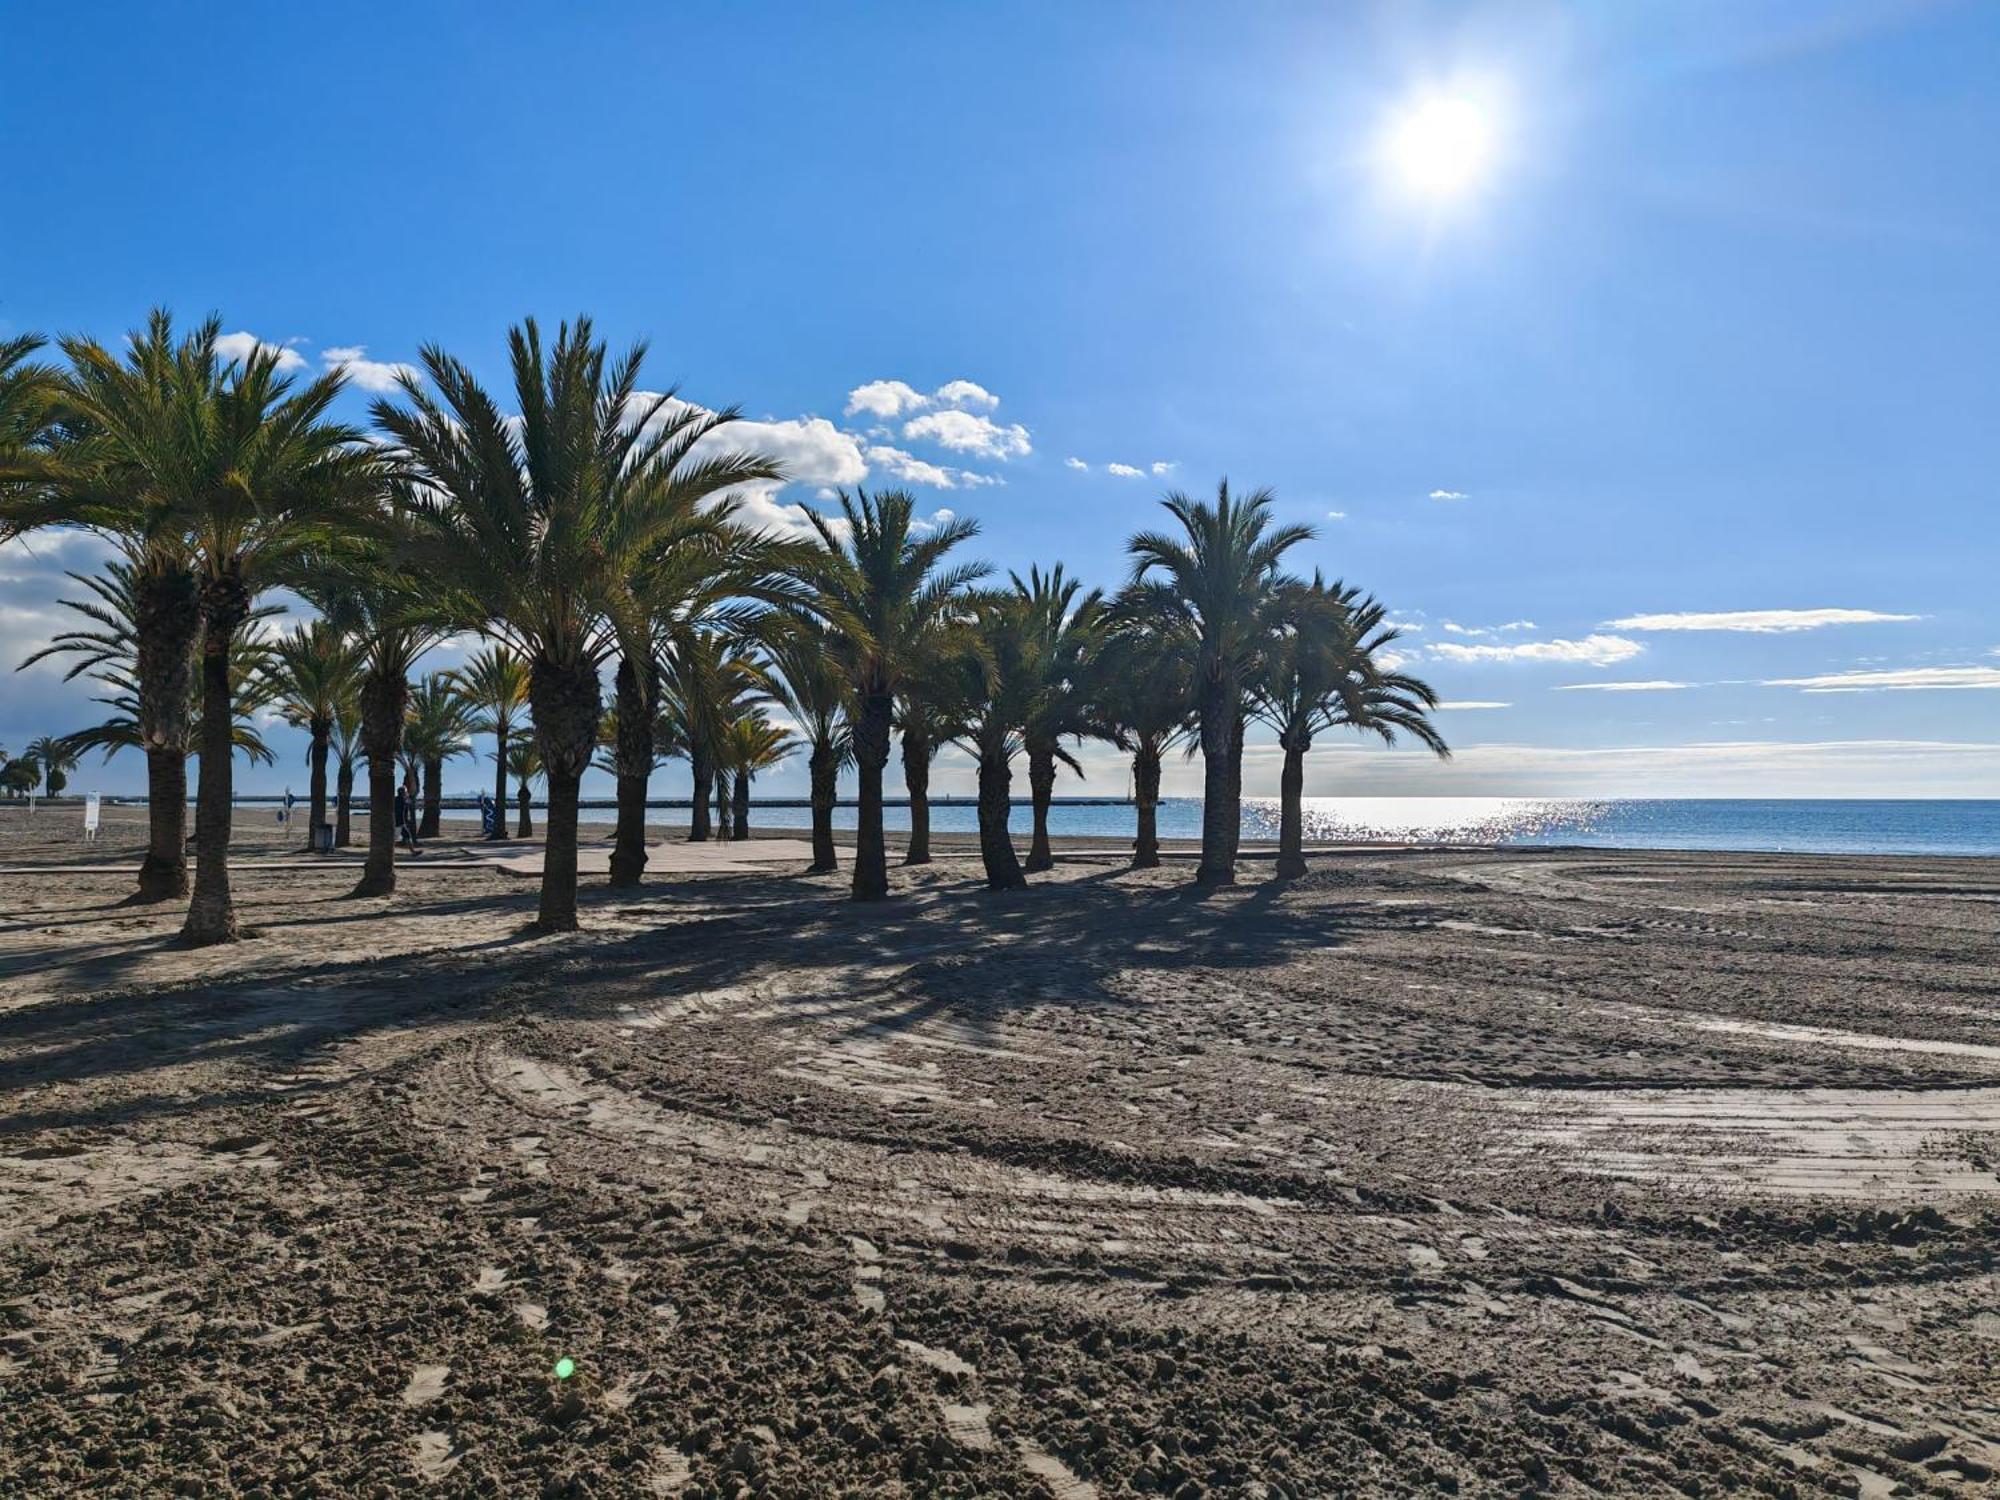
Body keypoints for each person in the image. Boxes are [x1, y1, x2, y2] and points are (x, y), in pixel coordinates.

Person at [395, 777, 422, 855]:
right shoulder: (403, 800)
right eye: (405, 792)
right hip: (399, 823)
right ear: (403, 793)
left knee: (407, 836)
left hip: (399, 823)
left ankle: (413, 852)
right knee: (394, 839)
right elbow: (410, 803)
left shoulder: (396, 799)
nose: (406, 793)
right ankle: (386, 853)